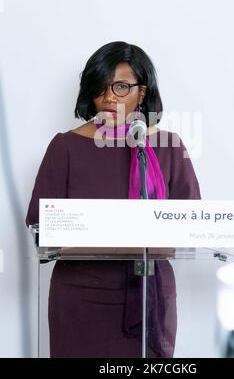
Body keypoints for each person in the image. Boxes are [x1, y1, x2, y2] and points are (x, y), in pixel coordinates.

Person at [25, 41, 201, 358]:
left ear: (142, 93)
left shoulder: (167, 146)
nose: (109, 97)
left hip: (150, 295)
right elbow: (39, 224)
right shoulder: (65, 147)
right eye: (100, 87)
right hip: (82, 294)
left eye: (121, 87)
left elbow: (192, 222)